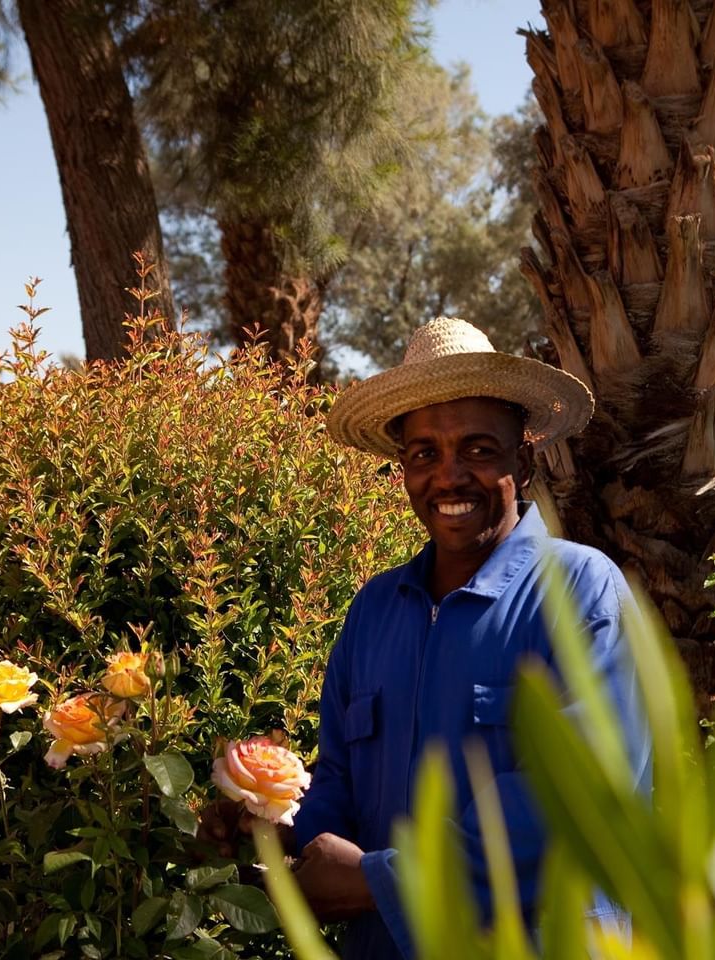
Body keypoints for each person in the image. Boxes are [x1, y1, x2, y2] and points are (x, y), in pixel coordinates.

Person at [211, 317, 651, 958]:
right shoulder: (374, 610)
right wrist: (271, 825)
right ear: (402, 469)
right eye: (424, 454)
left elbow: (573, 801)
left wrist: (376, 881)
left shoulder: (581, 592)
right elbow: (339, 778)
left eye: (478, 448)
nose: (448, 477)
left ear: (522, 461)